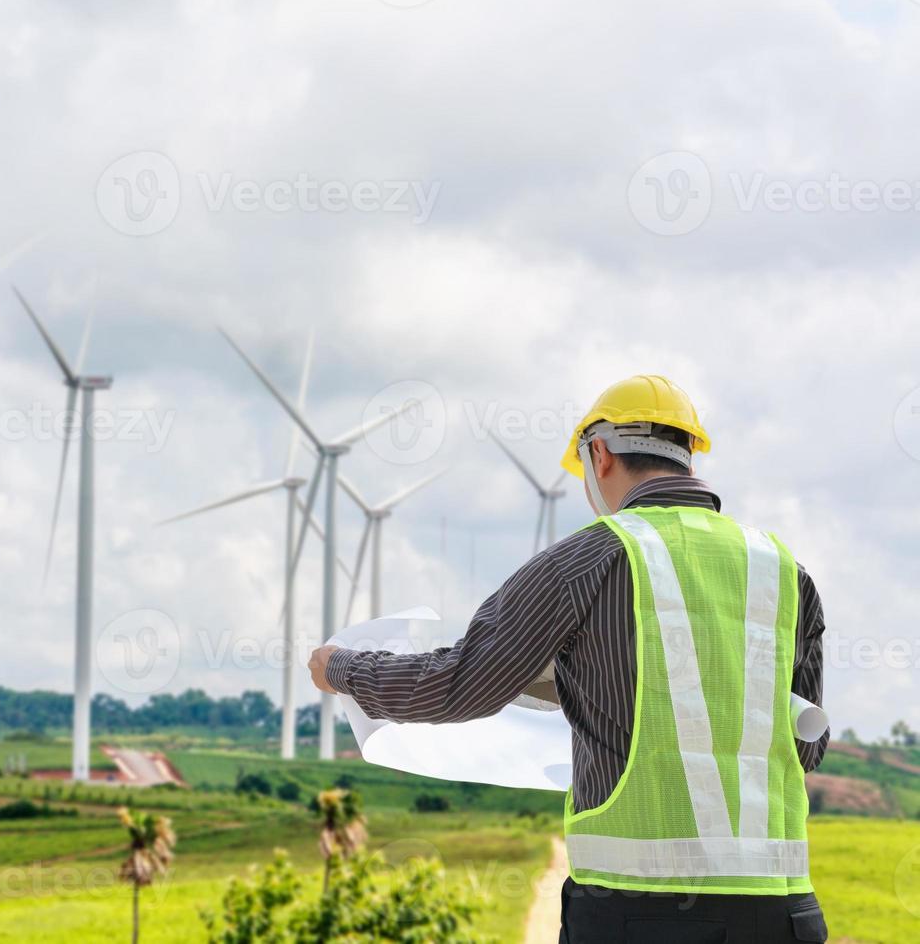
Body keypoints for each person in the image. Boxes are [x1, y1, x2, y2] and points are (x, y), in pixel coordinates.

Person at [307, 375, 830, 943]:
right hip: (784, 914)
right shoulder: (784, 572)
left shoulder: (586, 562)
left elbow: (456, 685)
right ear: (688, 456)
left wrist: (342, 668)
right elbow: (806, 745)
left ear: (599, 454)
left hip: (637, 914)